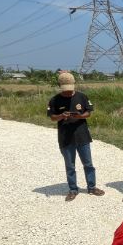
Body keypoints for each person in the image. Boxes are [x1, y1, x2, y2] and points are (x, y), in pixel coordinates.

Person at [47, 71, 106, 201]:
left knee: (88, 164)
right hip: (65, 137)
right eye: (65, 89)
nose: (68, 92)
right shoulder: (54, 100)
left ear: (74, 85)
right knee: (70, 165)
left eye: (70, 89)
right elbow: (52, 117)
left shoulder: (82, 97)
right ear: (60, 86)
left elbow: (88, 112)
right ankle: (73, 189)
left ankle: (92, 187)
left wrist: (79, 116)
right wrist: (62, 116)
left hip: (82, 136)